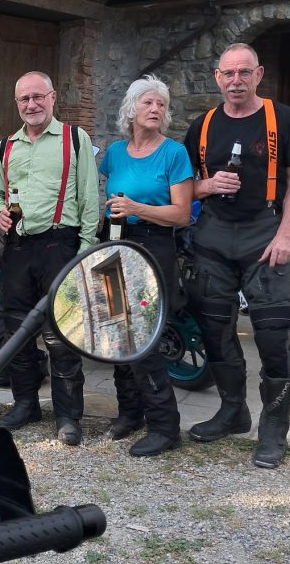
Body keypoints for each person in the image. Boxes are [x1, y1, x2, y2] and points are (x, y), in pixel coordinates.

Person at [184, 43, 290, 469]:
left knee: (273, 334)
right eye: (228, 74)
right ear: (216, 77)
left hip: (265, 234)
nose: (235, 81)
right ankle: (232, 411)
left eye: (244, 73)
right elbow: (185, 188)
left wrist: (285, 236)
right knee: (215, 329)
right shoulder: (201, 126)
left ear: (258, 75)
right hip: (213, 237)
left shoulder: (283, 119)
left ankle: (273, 429)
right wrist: (206, 186)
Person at [0, 71, 100, 446]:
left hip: (59, 247)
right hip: (18, 248)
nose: (31, 105)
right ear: (16, 103)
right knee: (16, 332)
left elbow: (89, 200)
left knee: (62, 334)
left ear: (52, 98)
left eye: (38, 97)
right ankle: (25, 403)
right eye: (24, 100)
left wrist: (84, 251)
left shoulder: (75, 139)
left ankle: (67, 415)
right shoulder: (6, 147)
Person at [99, 75, 192, 456]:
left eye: (161, 105)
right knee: (117, 333)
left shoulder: (173, 153)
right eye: (148, 103)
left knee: (145, 338)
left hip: (154, 246)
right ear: (131, 110)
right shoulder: (115, 153)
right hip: (116, 245)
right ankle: (129, 413)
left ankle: (165, 426)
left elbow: (182, 213)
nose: (156, 110)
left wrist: (137, 208)